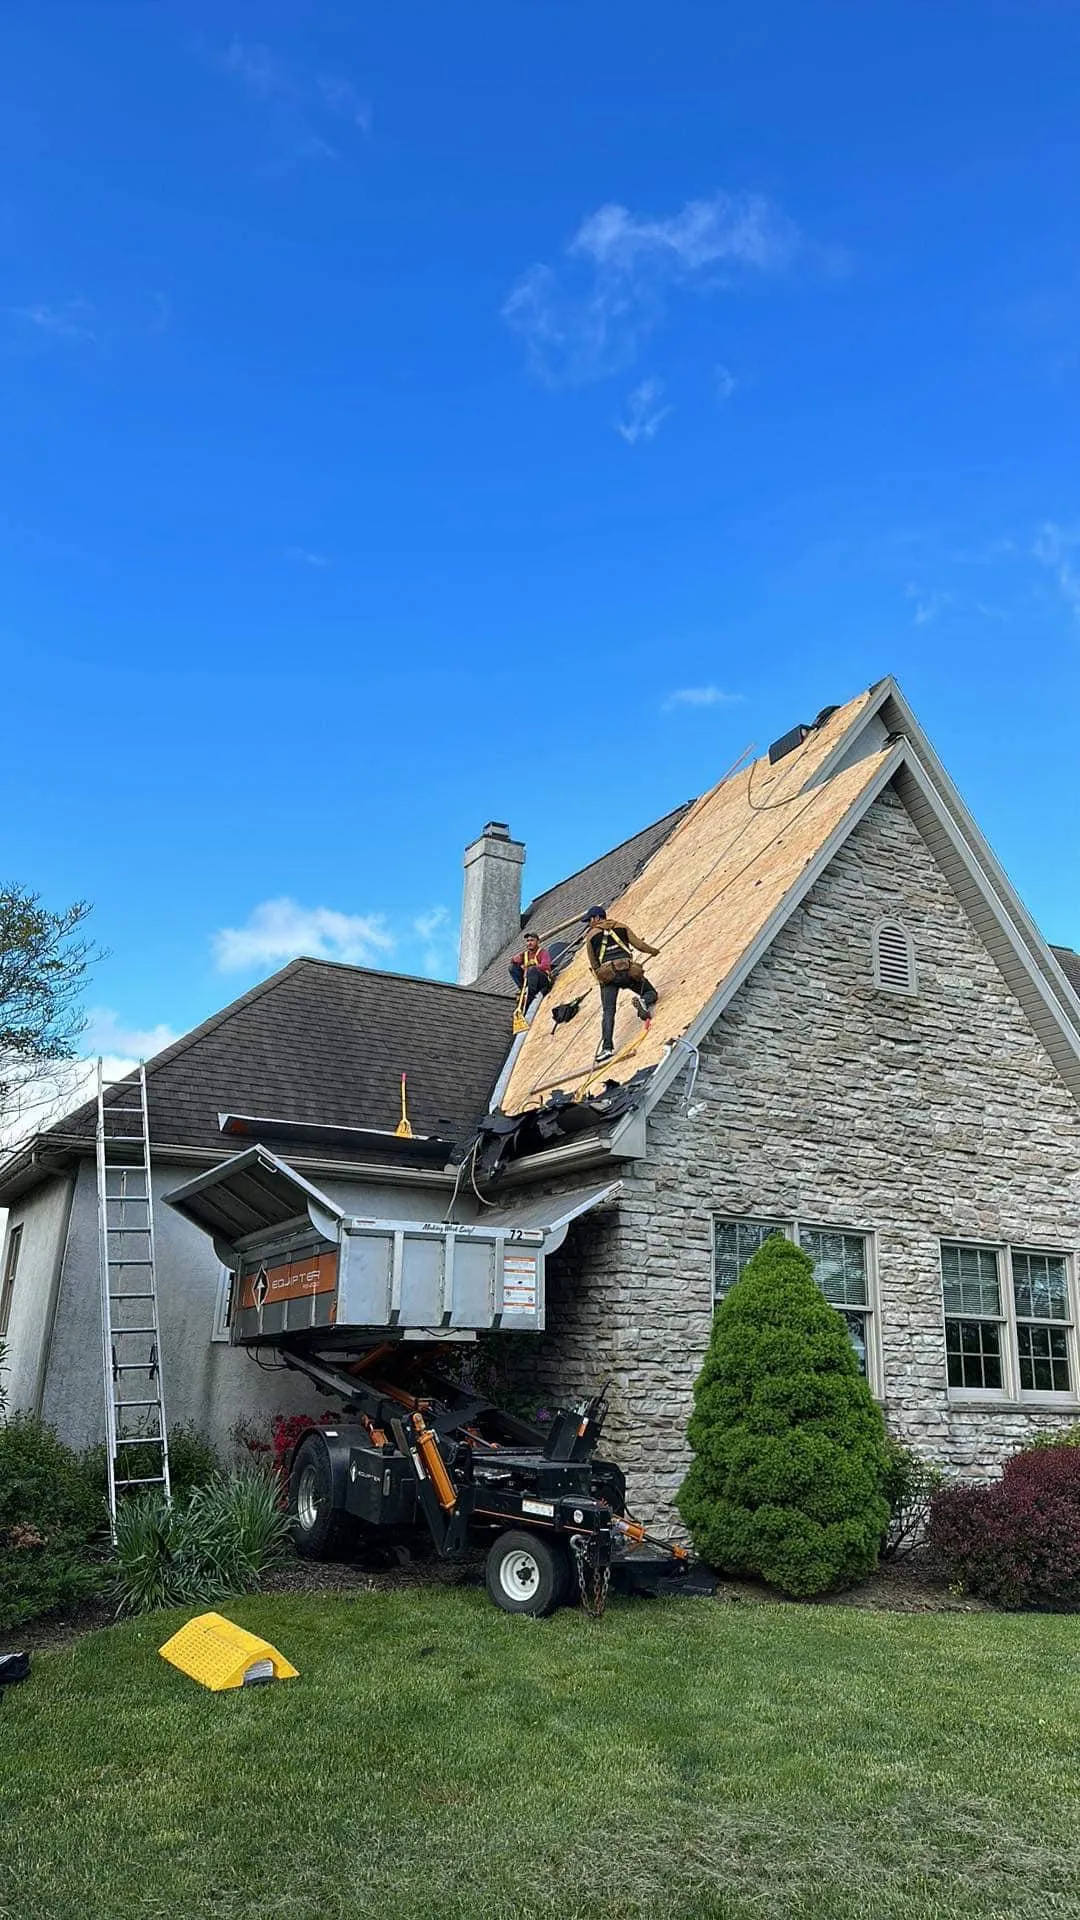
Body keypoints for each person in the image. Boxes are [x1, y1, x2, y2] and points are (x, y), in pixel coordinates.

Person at [582, 906, 660, 1063]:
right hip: (629, 971)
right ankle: (644, 1001)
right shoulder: (621, 927)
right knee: (651, 993)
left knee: (608, 1011)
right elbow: (639, 944)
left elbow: (594, 963)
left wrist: (602, 977)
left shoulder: (591, 936)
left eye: (589, 920)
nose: (589, 924)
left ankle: (607, 1048)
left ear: (597, 918)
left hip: (609, 976)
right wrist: (653, 951)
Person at [508, 931, 554, 1012]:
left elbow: (546, 965)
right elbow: (513, 962)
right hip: (530, 981)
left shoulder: (542, 953)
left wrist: (530, 968)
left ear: (538, 942)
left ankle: (530, 997)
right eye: (528, 941)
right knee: (512, 967)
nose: (529, 943)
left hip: (542, 982)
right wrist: (514, 959)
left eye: (532, 940)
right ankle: (523, 989)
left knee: (532, 970)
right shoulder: (525, 955)